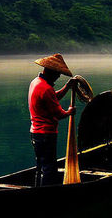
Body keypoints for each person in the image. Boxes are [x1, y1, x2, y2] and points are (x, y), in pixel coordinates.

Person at [29, 53, 77, 187]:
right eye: (57, 74)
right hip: (46, 134)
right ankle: (47, 194)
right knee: (49, 168)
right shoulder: (46, 88)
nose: (58, 77)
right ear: (51, 72)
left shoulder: (35, 82)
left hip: (35, 133)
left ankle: (37, 189)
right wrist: (69, 112)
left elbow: (52, 98)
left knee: (40, 167)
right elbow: (59, 114)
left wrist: (67, 87)